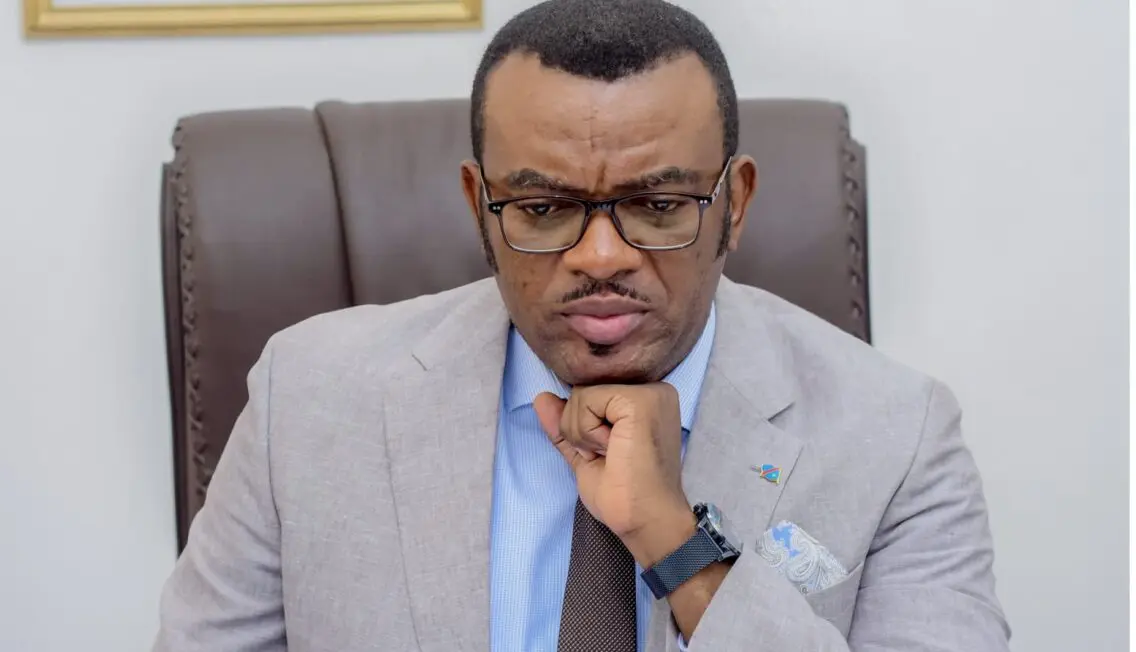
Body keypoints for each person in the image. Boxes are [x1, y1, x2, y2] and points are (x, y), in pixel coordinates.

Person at [153, 0, 1010, 649]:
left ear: (735, 203)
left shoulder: (896, 438)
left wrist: (677, 545)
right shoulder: (308, 398)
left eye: (659, 204)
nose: (601, 255)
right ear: (479, 206)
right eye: (543, 207)